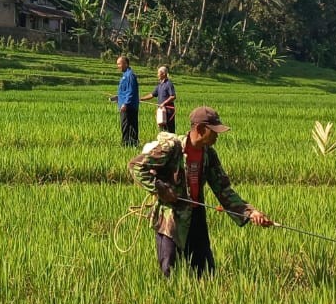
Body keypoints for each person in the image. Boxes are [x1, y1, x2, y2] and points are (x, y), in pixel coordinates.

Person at [131, 105, 274, 277]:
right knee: (170, 273)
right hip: (171, 219)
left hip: (196, 216)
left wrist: (250, 212)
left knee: (206, 273)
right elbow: (136, 166)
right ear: (200, 129)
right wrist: (160, 189)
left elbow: (223, 189)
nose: (217, 135)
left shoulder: (209, 155)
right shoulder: (172, 148)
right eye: (213, 131)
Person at [113, 55, 140, 147]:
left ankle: (126, 144)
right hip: (126, 105)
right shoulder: (125, 76)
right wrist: (118, 98)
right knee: (127, 125)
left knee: (127, 126)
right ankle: (130, 144)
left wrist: (125, 103)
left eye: (119, 64)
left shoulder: (130, 75)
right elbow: (124, 92)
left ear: (125, 63)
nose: (118, 66)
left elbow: (131, 91)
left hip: (129, 107)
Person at [152, 65, 177, 134]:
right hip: (161, 111)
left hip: (168, 111)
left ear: (163, 74)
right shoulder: (159, 85)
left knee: (169, 129)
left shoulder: (169, 84)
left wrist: (164, 103)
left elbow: (173, 96)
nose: (157, 75)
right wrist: (140, 99)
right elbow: (152, 94)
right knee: (162, 130)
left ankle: (173, 144)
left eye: (158, 73)